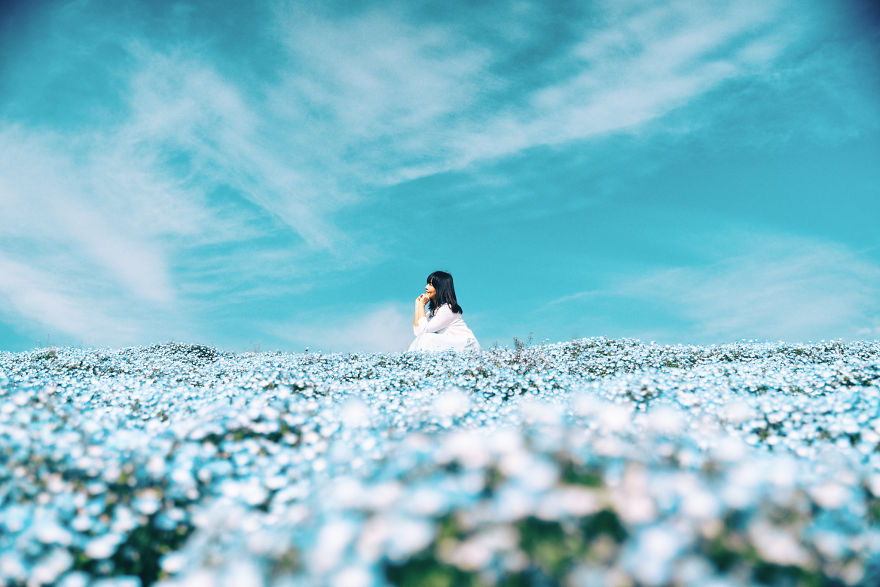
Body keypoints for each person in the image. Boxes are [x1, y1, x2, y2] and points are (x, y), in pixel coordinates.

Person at [408, 271, 481, 352]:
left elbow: (424, 330)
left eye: (430, 285)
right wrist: (417, 305)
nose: (426, 287)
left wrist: (422, 305)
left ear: (440, 288)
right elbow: (418, 333)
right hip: (454, 344)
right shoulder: (432, 312)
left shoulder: (448, 309)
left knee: (427, 338)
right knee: (418, 340)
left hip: (468, 345)